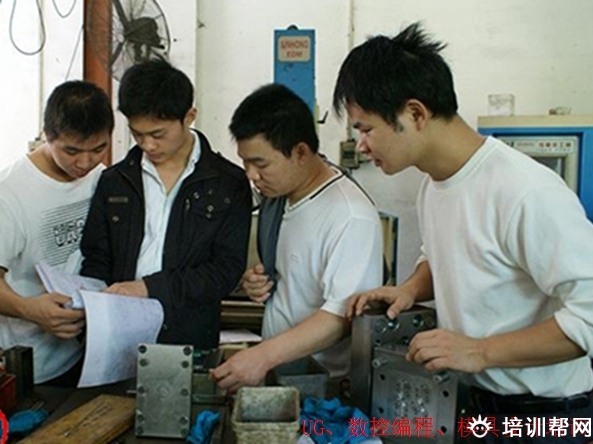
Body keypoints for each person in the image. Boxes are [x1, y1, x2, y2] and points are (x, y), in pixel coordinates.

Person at [336, 22, 593, 443]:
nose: (362, 145)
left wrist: (480, 351)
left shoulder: (523, 190)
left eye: (366, 128)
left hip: (547, 420)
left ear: (415, 113)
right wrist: (410, 289)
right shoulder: (433, 186)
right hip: (477, 408)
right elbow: (441, 254)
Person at [209, 83, 383, 393]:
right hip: (280, 376)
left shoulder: (349, 216)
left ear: (300, 152)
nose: (251, 175)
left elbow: (341, 317)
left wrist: (262, 356)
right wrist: (258, 283)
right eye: (245, 162)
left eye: (261, 164)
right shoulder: (279, 199)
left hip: (324, 389)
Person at [80, 60, 252, 351]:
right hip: (119, 332)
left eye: (158, 134)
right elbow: (96, 257)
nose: (148, 145)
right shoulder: (115, 181)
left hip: (188, 335)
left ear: (189, 117)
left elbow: (225, 270)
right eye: (137, 134)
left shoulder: (227, 183)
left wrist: (149, 288)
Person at [0, 80, 114, 385]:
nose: (85, 163)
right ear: (47, 135)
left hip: (87, 352)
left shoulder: (100, 178)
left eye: (99, 149)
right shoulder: (9, 194)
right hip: (30, 367)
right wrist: (29, 310)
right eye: (71, 150)